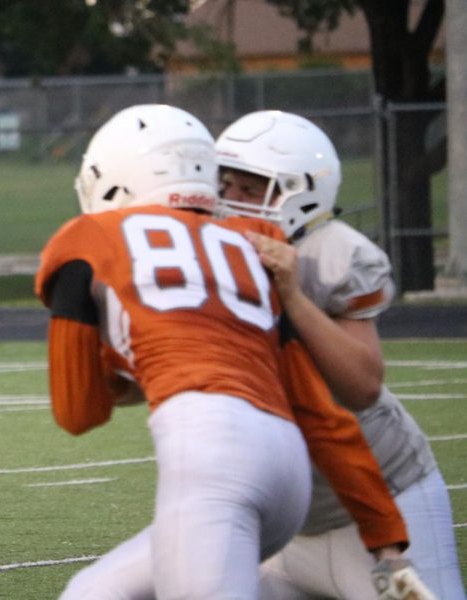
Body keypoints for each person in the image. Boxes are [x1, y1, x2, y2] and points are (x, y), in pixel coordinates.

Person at [34, 104, 421, 599]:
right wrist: (386, 538)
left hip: (212, 455)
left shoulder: (85, 241)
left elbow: (77, 412)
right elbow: (321, 413)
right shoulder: (251, 248)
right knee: (93, 593)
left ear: (112, 179)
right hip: (288, 474)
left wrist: (122, 367)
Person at [216, 109, 465, 600]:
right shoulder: (209, 249)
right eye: (227, 186)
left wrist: (293, 296)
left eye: (250, 189)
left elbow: (362, 385)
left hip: (385, 505)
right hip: (286, 524)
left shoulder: (336, 256)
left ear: (300, 191)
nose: (232, 202)